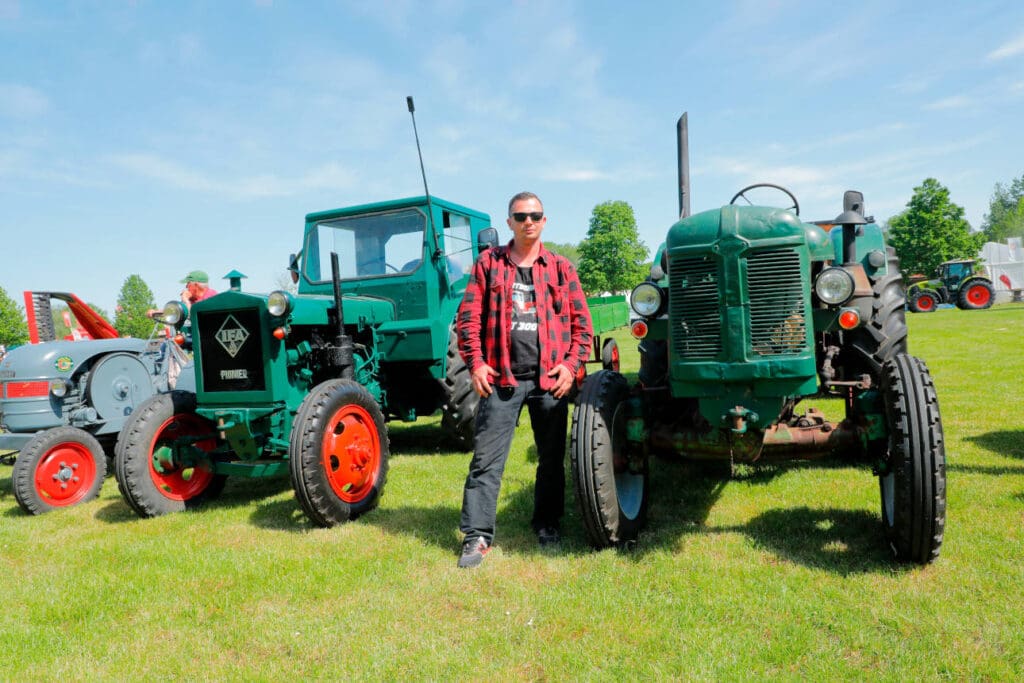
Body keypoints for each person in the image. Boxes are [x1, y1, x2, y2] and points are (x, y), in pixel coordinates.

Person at [455, 191, 593, 569]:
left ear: (545, 221)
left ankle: (547, 524)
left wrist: (569, 366)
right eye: (521, 216)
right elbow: (467, 320)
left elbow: (583, 326)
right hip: (502, 379)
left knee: (550, 459)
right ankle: (477, 535)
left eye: (535, 215)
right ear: (510, 222)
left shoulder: (561, 268)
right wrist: (477, 364)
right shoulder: (489, 264)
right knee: (486, 460)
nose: (528, 221)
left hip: (549, 379)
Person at [148, 270, 218, 319]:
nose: (186, 286)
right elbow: (176, 311)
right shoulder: (191, 299)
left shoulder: (212, 297)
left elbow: (192, 316)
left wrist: (186, 301)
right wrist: (155, 312)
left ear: (196, 285)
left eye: (188, 283)